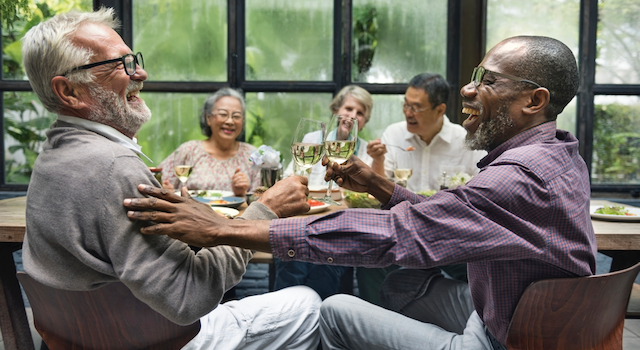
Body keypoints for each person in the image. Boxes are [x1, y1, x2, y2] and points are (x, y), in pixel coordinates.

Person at [125, 35, 596, 350]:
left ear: (534, 101)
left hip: (507, 338)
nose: (469, 90)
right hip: (527, 316)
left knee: (331, 309)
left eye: (488, 80)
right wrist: (381, 186)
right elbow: (457, 214)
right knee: (400, 284)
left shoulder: (516, 177)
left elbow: (397, 236)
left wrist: (231, 228)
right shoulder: (557, 153)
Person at [21, 8, 320, 350]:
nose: (141, 73)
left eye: (134, 60)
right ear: (69, 91)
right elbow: (187, 300)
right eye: (121, 64)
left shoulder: (52, 155)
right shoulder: (115, 166)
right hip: (151, 339)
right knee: (307, 303)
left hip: (85, 336)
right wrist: (265, 209)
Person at [362, 73, 488, 305]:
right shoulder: (394, 134)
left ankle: (476, 319)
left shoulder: (466, 141)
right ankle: (376, 322)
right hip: (401, 231)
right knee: (368, 255)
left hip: (449, 236)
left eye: (416, 107)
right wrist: (377, 161)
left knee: (480, 263)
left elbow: (482, 193)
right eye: (406, 105)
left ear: (440, 110)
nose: (408, 112)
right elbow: (376, 193)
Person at [278, 85, 374, 300]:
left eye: (360, 113)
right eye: (348, 108)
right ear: (336, 110)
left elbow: (366, 197)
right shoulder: (313, 138)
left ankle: (318, 319)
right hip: (303, 218)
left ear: (365, 121)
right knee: (292, 262)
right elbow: (289, 178)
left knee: (326, 267)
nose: (352, 116)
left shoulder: (367, 152)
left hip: (340, 225)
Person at [158, 87, 259, 198]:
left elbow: (261, 200)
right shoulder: (189, 150)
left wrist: (241, 193)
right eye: (223, 114)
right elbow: (158, 183)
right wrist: (164, 189)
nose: (230, 121)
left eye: (236, 116)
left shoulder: (253, 155)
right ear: (208, 118)